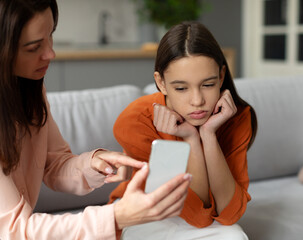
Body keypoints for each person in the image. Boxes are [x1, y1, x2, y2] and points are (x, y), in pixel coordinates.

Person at [0, 0, 191, 239]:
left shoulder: (27, 88)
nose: (50, 53)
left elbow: (52, 163)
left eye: (50, 36)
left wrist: (95, 164)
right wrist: (117, 216)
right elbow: (13, 230)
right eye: (33, 47)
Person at [109, 21, 258, 239]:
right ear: (160, 82)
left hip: (202, 217)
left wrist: (208, 135)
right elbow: (198, 215)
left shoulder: (236, 117)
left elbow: (229, 215)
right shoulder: (135, 121)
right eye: (181, 88)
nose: (197, 101)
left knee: (236, 237)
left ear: (221, 75)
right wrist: (190, 138)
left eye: (207, 84)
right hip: (146, 210)